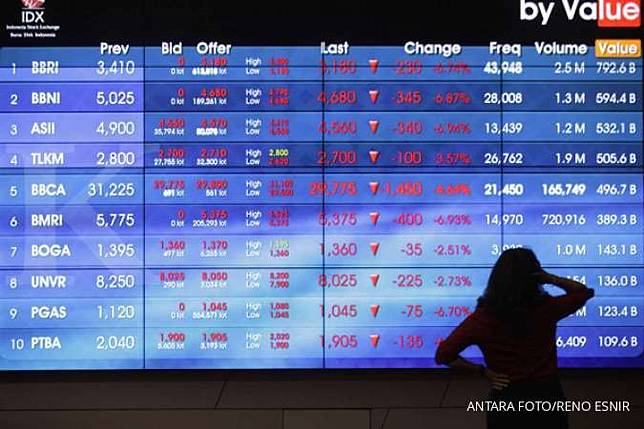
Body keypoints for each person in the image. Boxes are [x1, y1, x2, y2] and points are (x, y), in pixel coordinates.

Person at [435, 248, 594, 429]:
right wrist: (550, 278)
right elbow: (583, 292)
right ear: (535, 277)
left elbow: (443, 355)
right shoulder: (547, 309)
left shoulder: (482, 319)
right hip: (548, 394)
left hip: (506, 396)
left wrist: (482, 371)